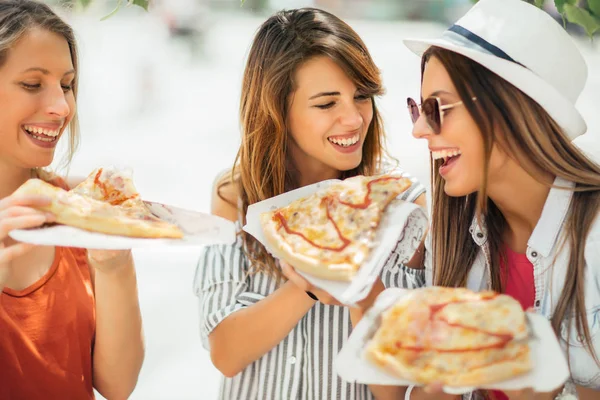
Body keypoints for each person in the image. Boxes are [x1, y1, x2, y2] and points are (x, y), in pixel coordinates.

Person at [193, 8, 426, 400]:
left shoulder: (404, 206)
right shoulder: (236, 197)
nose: (353, 119)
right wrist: (314, 280)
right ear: (276, 111)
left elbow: (397, 392)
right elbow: (226, 352)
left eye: (361, 96)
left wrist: (363, 288)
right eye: (326, 104)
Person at [394, 0, 600, 399]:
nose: (420, 129)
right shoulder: (451, 238)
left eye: (438, 108)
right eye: (418, 109)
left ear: (511, 109)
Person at [0, 1, 144, 398]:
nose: (62, 108)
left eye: (66, 85)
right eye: (33, 84)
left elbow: (117, 384)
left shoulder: (78, 208)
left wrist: (115, 263)